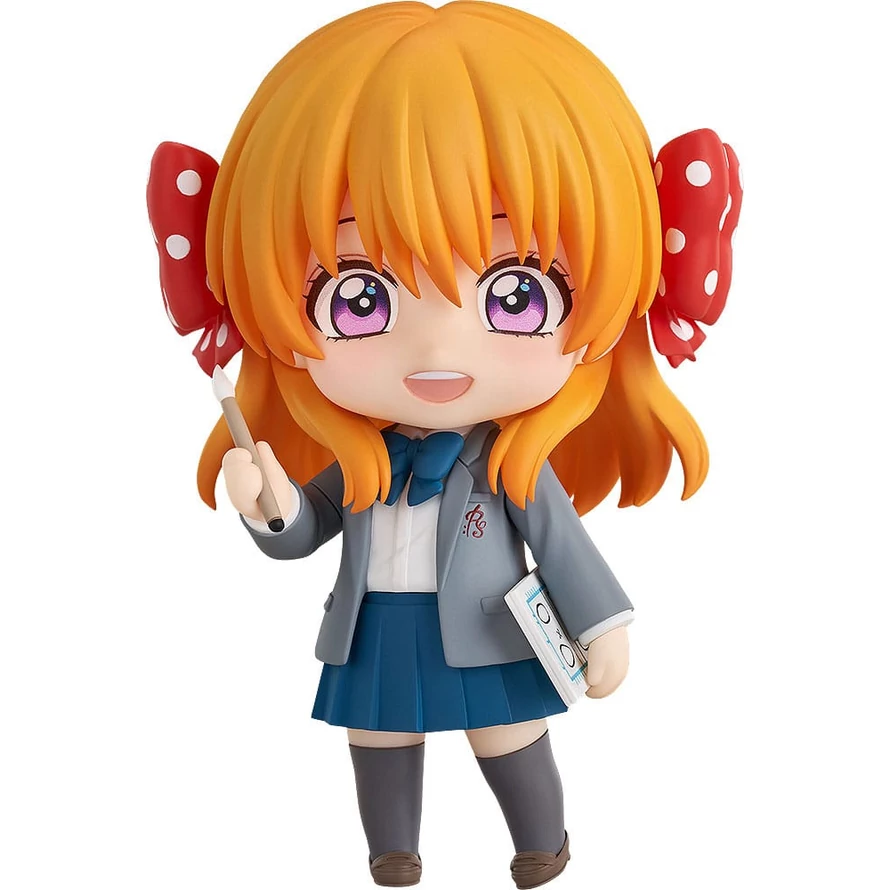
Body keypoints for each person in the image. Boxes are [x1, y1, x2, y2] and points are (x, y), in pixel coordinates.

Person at [150, 2, 739, 886]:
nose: (436, 347)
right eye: (359, 298)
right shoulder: (360, 459)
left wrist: (603, 625)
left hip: (489, 627)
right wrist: (267, 504)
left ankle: (541, 843)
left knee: (508, 735)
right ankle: (392, 852)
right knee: (377, 738)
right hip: (373, 627)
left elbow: (562, 543)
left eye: (515, 294)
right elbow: (303, 531)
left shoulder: (505, 464)